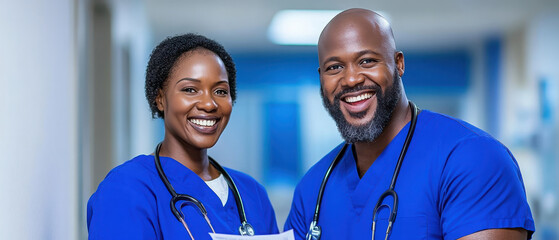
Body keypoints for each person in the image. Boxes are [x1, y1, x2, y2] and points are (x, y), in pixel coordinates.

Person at [284, 8, 535, 240]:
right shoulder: (313, 188)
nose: (350, 79)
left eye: (367, 61)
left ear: (399, 63)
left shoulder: (473, 159)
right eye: (335, 67)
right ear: (321, 79)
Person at [88, 33, 279, 239]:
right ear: (159, 98)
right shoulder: (127, 188)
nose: (209, 104)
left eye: (221, 91)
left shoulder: (252, 194)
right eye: (190, 89)